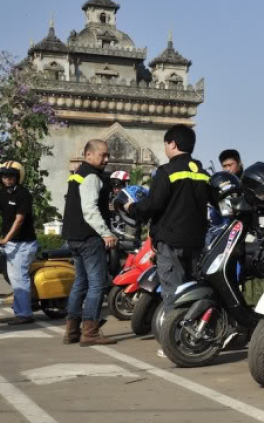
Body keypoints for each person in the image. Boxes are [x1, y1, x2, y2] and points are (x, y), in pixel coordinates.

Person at [125, 124, 216, 356]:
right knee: (194, 290)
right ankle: (194, 336)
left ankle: (173, 343)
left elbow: (153, 205)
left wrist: (131, 207)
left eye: (166, 144)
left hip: (170, 242)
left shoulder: (165, 172)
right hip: (197, 242)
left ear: (172, 144)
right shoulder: (203, 174)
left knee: (173, 294)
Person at [62, 139, 118, 346]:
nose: (106, 159)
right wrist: (106, 233)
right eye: (102, 155)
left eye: (107, 155)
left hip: (74, 237)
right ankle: (91, 332)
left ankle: (72, 330)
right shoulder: (92, 177)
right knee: (97, 284)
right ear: (88, 155)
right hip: (89, 237)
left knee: (80, 283)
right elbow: (90, 210)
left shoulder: (77, 175)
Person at [0, 161, 39, 325]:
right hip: (10, 245)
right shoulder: (3, 193)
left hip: (23, 244)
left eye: (11, 176)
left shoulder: (23, 194)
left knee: (19, 277)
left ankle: (24, 313)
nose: (7, 179)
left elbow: (19, 220)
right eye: (4, 176)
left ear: (18, 177)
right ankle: (27, 296)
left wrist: (5, 239)